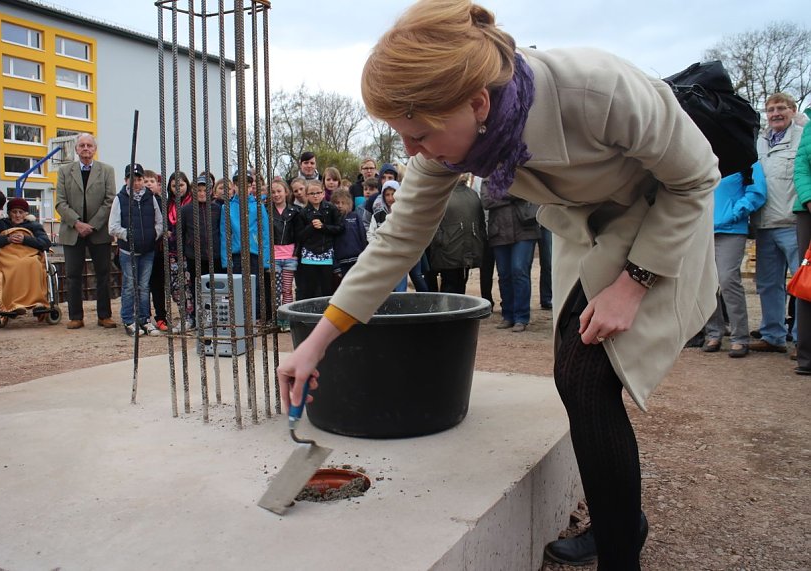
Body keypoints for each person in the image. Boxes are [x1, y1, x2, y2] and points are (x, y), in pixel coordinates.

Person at [277, 2, 720, 569]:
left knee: (586, 374)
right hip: (592, 228)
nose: (411, 152)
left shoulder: (598, 88)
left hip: (661, 216)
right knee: (574, 371)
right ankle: (619, 520)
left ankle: (619, 550)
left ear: (478, 103)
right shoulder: (450, 137)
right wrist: (317, 341)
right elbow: (397, 242)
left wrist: (633, 284)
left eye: (417, 135)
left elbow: (695, 176)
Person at [750, 93, 804, 354]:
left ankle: (802, 339)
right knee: (768, 284)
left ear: (793, 111)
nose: (775, 114)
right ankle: (773, 335)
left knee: (803, 283)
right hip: (765, 224)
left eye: (781, 108)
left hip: (793, 223)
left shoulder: (803, 137)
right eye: (770, 110)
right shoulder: (759, 142)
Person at [701, 164, 766, 357]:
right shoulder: (706, 157)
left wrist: (735, 212)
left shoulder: (747, 161)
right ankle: (714, 333)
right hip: (703, 231)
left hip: (731, 230)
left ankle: (740, 337)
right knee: (705, 283)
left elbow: (757, 192)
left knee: (728, 280)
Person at [55, 133, 117, 330]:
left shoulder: (106, 170)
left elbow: (110, 200)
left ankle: (104, 315)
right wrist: (77, 223)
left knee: (103, 274)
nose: (85, 148)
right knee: (72, 275)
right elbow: (60, 202)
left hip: (98, 231)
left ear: (95, 149)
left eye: (89, 145)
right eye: (82, 145)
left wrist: (93, 224)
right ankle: (76, 316)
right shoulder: (65, 171)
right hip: (72, 231)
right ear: (76, 149)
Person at [108, 163, 163, 337]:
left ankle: (144, 319)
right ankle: (128, 320)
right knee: (130, 286)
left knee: (144, 286)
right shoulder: (120, 198)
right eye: (133, 179)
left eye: (139, 179)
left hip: (148, 250)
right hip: (128, 252)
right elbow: (113, 226)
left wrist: (153, 234)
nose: (137, 182)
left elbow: (159, 220)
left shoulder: (150, 197)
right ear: (126, 180)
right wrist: (128, 235)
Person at [480, 185, 540, 332]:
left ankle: (521, 317)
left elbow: (530, 192)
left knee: (519, 271)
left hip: (525, 230)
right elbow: (486, 201)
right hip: (498, 231)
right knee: (504, 274)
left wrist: (499, 194)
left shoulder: (521, 171)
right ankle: (508, 315)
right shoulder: (489, 175)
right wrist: (513, 194)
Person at [0, 197, 52, 315]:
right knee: (15, 265)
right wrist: (7, 239)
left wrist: (25, 239)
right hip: (7, 257)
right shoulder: (0, 225)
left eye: (21, 212)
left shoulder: (34, 226)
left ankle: (38, 302)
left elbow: (45, 243)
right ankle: (12, 304)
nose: (18, 215)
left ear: (26, 214)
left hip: (30, 256)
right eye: (14, 212)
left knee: (35, 264)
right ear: (9, 213)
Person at [221, 170, 272, 321]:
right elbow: (225, 234)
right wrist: (226, 259)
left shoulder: (258, 206)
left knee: (255, 286)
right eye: (239, 185)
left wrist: (266, 258)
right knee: (237, 286)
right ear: (234, 186)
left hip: (254, 253)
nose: (243, 188)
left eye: (248, 185)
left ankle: (255, 316)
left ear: (251, 187)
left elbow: (265, 233)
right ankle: (240, 316)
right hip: (236, 253)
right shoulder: (227, 207)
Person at [426, 175, 485, 294]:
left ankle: (454, 311)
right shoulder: (443, 194)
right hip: (452, 251)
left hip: (459, 251)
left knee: (456, 286)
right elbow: (433, 223)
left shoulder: (471, 194)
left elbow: (480, 223)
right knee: (452, 286)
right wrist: (440, 240)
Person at [180, 175, 223, 329]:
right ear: (193, 191)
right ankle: (199, 318)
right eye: (198, 190)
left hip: (215, 255)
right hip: (194, 256)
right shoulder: (185, 210)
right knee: (197, 288)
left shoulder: (217, 209)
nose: (202, 193)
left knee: (216, 287)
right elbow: (182, 232)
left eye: (205, 190)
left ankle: (217, 317)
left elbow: (222, 230)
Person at [295, 179, 343, 299]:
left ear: (323, 193)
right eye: (312, 193)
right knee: (310, 287)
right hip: (309, 255)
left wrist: (323, 227)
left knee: (326, 287)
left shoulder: (331, 209)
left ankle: (324, 312)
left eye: (318, 192)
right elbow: (299, 235)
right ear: (306, 195)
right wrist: (311, 227)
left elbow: (339, 228)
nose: (315, 196)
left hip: (326, 253)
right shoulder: (303, 213)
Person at [792, 108, 811, 374]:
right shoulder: (810, 122)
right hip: (808, 209)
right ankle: (806, 355)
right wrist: (808, 197)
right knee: (807, 280)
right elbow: (802, 165)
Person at [367, 180, 409, 292]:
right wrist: (379, 246)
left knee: (400, 293)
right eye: (387, 194)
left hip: (400, 259)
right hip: (382, 259)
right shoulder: (377, 215)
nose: (390, 198)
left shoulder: (405, 215)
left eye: (393, 194)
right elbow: (371, 234)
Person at [270, 178, 301, 329]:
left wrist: (295, 254)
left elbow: (298, 234)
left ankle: (286, 320)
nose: (276, 195)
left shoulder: (295, 211)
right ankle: (276, 319)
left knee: (287, 289)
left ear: (286, 192)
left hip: (289, 257)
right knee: (275, 290)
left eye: (279, 191)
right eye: (273, 192)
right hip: (274, 257)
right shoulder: (266, 210)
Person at [166, 171, 194, 329]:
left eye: (181, 185)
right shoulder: (167, 204)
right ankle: (183, 315)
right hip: (172, 252)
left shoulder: (192, 204)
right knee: (175, 287)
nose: (178, 189)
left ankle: (191, 317)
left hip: (188, 252)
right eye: (175, 186)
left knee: (189, 285)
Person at [143, 169, 168, 332]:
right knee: (143, 286)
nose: (148, 184)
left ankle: (161, 316)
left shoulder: (162, 203)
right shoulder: (136, 202)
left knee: (158, 286)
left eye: (152, 181)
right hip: (142, 250)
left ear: (158, 185)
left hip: (159, 250)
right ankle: (144, 317)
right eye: (145, 181)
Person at [331, 188, 368, 288]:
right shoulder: (331, 220)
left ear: (349, 204)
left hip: (357, 261)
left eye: (343, 203)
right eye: (337, 203)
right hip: (341, 264)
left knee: (359, 288)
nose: (340, 206)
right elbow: (330, 245)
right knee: (344, 289)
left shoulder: (355, 217)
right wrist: (336, 267)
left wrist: (364, 260)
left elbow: (363, 238)